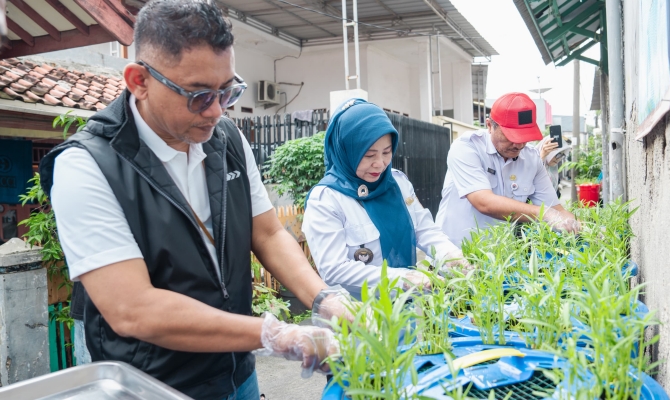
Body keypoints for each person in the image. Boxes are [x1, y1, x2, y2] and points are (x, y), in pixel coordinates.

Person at [39, 2, 346, 399]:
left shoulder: (226, 140)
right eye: (199, 95)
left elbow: (267, 233)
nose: (217, 110)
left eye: (228, 90)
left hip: (236, 373)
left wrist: (323, 298)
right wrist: (273, 334)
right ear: (139, 81)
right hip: (153, 385)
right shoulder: (87, 166)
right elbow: (133, 308)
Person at [302, 99, 466, 300]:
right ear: (346, 151)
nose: (379, 164)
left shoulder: (398, 183)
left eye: (387, 152)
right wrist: (401, 278)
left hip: (404, 306)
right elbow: (334, 269)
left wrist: (450, 255)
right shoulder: (326, 200)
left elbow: (424, 230)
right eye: (369, 155)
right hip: (356, 316)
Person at [435, 92, 580, 246]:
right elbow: (484, 202)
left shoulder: (531, 158)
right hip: (455, 256)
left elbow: (557, 210)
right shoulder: (466, 148)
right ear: (490, 125)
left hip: (501, 259)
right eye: (511, 137)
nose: (518, 145)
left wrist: (590, 230)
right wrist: (544, 213)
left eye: (524, 137)